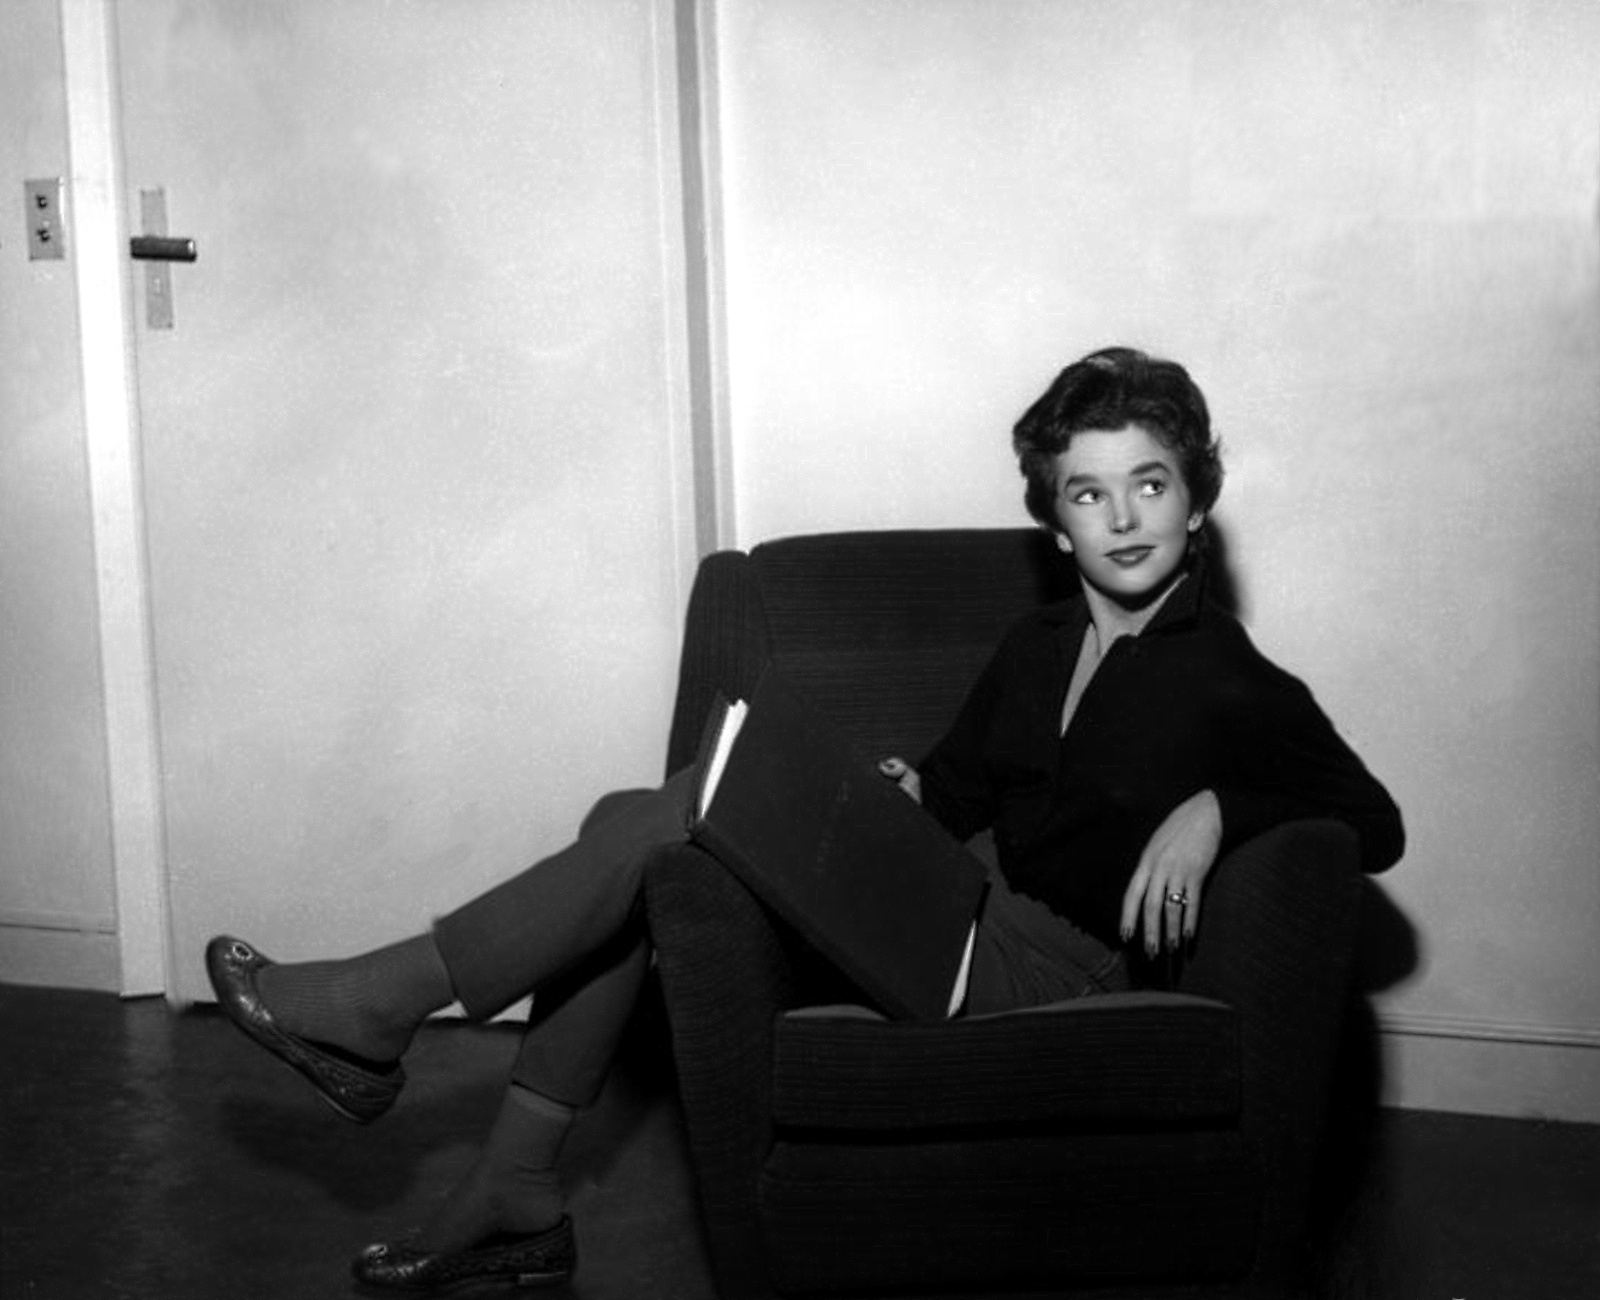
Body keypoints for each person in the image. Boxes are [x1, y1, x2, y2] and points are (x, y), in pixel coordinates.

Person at [207, 345, 1403, 1293]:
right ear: (1056, 520)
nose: (1125, 516)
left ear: (1196, 503)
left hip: (1042, 967)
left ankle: (386, 1008)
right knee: (640, 818)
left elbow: (1372, 818)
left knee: (687, 806)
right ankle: (511, 1182)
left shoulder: (1227, 672)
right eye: (1090, 492)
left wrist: (1213, 807)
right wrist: (899, 792)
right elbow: (956, 787)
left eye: (1151, 483)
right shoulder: (1038, 643)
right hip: (956, 903)